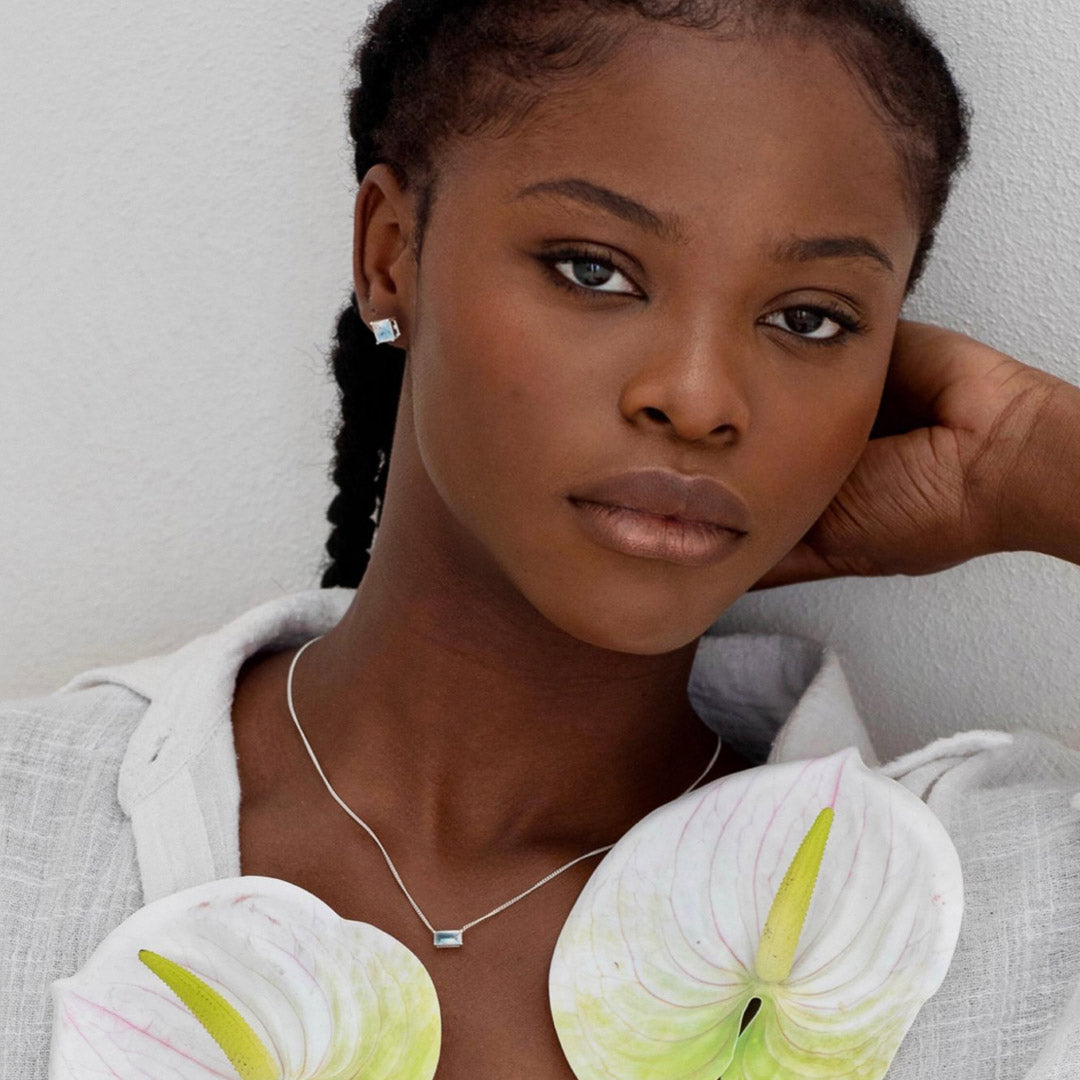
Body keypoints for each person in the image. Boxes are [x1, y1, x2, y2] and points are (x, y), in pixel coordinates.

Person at [4, 1, 1080, 1077]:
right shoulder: (29, 828)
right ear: (390, 254)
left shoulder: (1009, 912)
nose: (700, 399)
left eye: (809, 319)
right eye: (593, 269)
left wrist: (1036, 468)